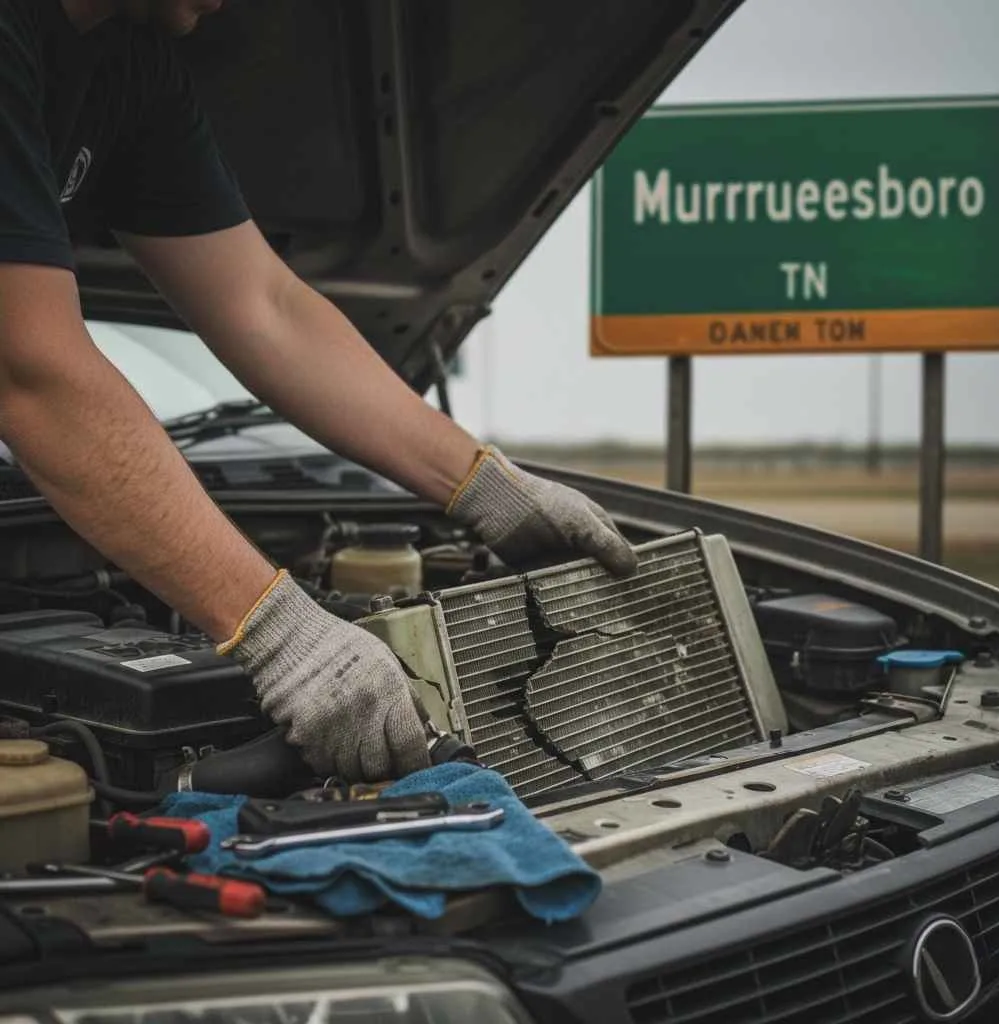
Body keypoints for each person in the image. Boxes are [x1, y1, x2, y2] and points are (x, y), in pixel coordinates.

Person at [0, 0, 638, 783]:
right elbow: (32, 368)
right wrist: (276, 631)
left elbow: (266, 307)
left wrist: (488, 487)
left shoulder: (129, 62)